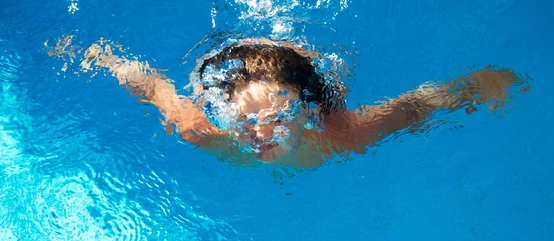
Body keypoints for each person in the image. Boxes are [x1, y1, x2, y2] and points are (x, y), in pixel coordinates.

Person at [79, 37, 527, 167]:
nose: (261, 134)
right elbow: (160, 92)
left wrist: (476, 87)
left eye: (277, 119)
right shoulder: (210, 135)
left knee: (313, 77)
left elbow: (415, 105)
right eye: (248, 122)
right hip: (232, 70)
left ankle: (290, 55)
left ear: (304, 115)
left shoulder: (340, 135)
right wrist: (112, 62)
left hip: (307, 80)